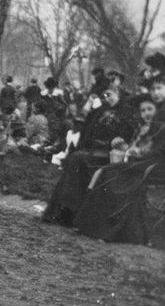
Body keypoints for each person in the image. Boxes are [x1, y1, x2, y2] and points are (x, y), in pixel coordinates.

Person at [73, 95, 165, 244]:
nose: (146, 113)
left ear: (157, 111)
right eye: (143, 111)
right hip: (139, 165)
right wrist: (126, 147)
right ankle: (90, 225)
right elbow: (133, 149)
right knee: (106, 171)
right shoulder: (145, 129)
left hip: (155, 168)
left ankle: (106, 231)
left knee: (110, 175)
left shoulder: (162, 129)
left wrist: (139, 153)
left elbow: (159, 153)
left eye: (150, 109)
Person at [42, 86, 136, 226]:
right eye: (104, 95)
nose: (106, 98)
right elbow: (88, 130)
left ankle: (70, 211)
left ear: (118, 95)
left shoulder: (126, 113)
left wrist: (116, 141)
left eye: (109, 94)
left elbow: (125, 136)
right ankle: (65, 210)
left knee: (78, 159)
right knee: (75, 159)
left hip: (110, 153)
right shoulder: (101, 111)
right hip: (93, 150)